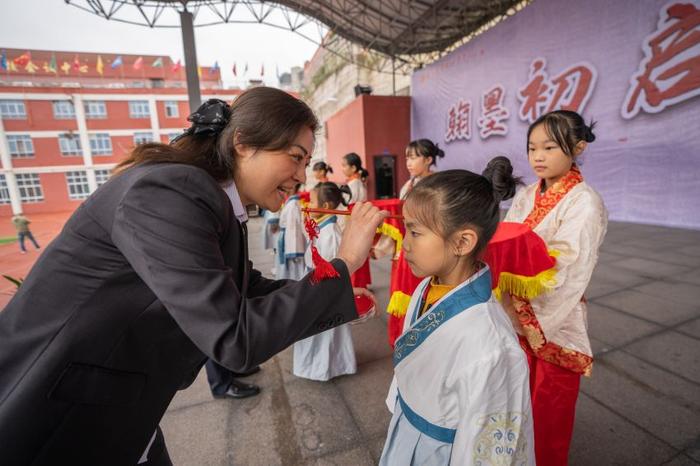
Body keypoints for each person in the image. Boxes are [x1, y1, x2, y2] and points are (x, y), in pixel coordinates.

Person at [0, 87, 386, 466]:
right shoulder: (170, 191)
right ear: (243, 143)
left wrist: (343, 293)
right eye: (295, 157)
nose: (302, 176)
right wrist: (345, 261)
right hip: (58, 417)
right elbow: (235, 338)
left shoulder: (210, 200)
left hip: (121, 408)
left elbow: (248, 291)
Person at [379, 161, 534, 466]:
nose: (405, 244)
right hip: (408, 426)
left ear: (462, 241)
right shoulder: (426, 288)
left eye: (415, 232)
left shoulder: (492, 344)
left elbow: (487, 452)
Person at [502, 110, 607, 466]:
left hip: (553, 322)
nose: (538, 157)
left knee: (548, 412)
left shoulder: (584, 201)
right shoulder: (528, 193)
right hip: (514, 314)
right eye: (532, 148)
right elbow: (507, 239)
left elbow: (571, 264)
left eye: (549, 147)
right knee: (513, 404)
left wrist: (524, 302)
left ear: (577, 147)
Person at [373, 138, 446, 346]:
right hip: (406, 246)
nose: (408, 162)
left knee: (424, 292)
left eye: (413, 157)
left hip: (428, 246)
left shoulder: (438, 184)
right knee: (404, 291)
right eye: (407, 158)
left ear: (429, 159)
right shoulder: (409, 184)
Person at [293, 182, 358, 381]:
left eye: (312, 201)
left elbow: (329, 270)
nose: (308, 204)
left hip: (321, 289)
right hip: (314, 284)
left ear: (326, 206)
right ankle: (323, 366)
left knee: (324, 333)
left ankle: (324, 368)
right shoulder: (322, 228)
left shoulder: (330, 234)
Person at [276, 184, 307, 280]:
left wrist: (294, 250)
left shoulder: (293, 205)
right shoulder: (291, 203)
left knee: (294, 272)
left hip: (291, 244)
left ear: (292, 188)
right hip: (286, 239)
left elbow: (294, 229)